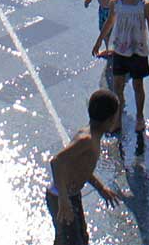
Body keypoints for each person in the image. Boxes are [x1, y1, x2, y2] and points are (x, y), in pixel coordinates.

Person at [46, 90, 123, 243]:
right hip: (60, 197)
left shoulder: (93, 137)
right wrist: (63, 199)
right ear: (110, 119)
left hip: (71, 195)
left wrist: (101, 188)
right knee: (71, 240)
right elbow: (56, 162)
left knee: (78, 237)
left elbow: (82, 169)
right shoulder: (86, 139)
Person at [92, 0, 149, 134]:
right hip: (120, 50)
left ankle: (139, 116)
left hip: (138, 50)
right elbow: (109, 23)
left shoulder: (144, 4)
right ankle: (117, 118)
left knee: (138, 85)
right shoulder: (115, 3)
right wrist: (99, 41)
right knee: (117, 86)